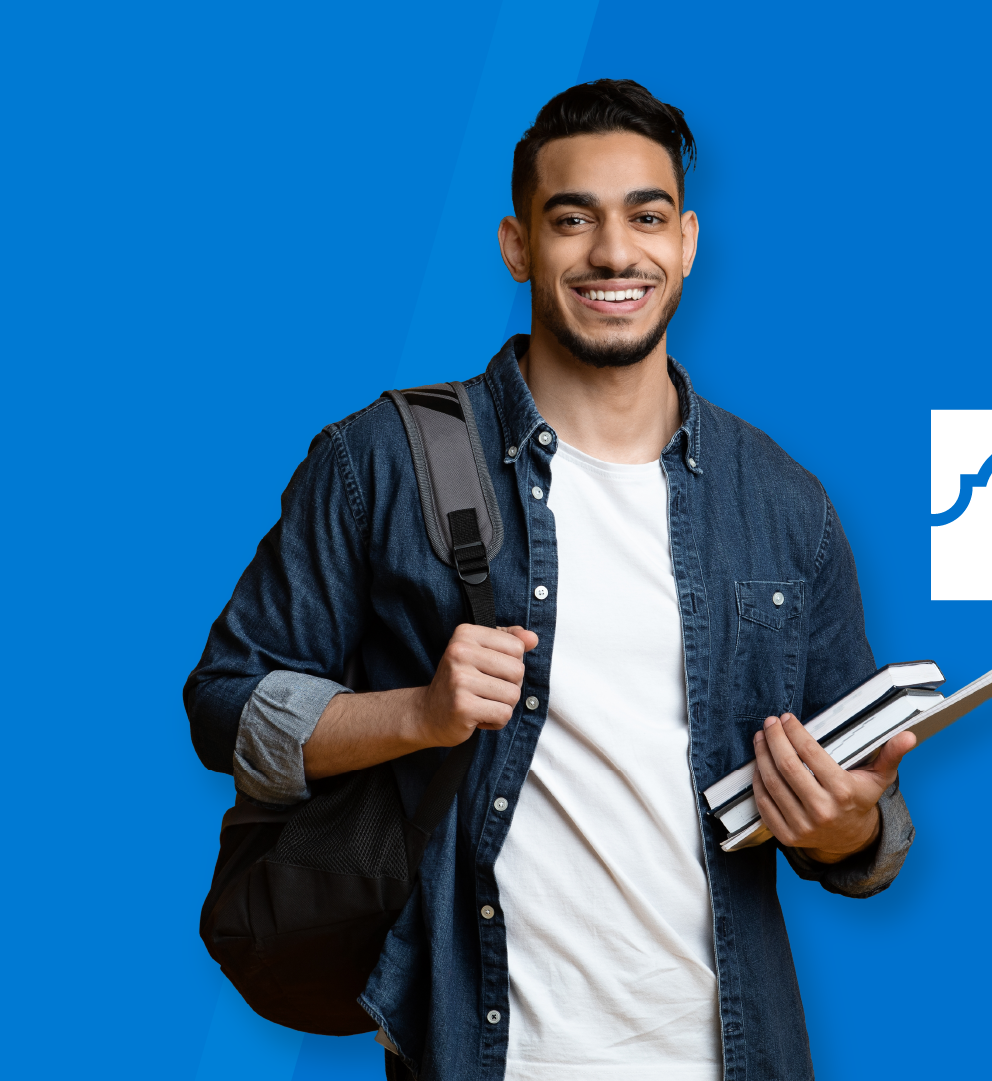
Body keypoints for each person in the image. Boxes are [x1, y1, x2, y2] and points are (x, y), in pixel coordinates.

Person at [184, 79, 915, 1081]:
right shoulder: (383, 460)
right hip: (485, 1053)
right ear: (518, 245)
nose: (615, 252)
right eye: (573, 220)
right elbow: (227, 709)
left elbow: (858, 817)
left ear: (687, 242)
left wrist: (851, 824)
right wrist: (419, 713)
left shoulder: (784, 504)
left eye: (645, 217)